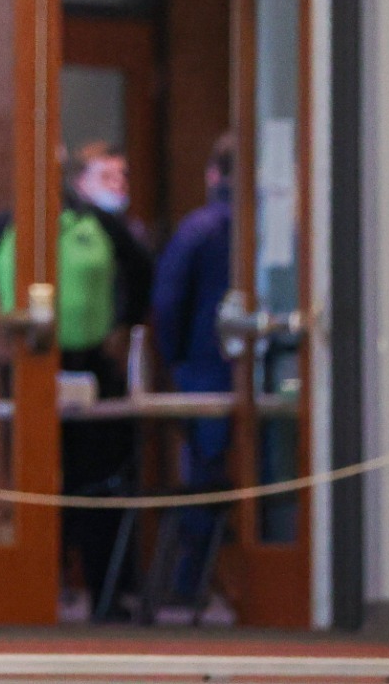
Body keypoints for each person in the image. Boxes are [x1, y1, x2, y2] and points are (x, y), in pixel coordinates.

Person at [0, 155, 152, 615]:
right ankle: (34, 597)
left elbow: (141, 270)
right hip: (30, 370)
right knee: (34, 484)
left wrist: (124, 326)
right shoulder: (5, 227)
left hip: (93, 369)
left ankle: (107, 596)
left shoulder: (97, 223)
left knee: (98, 484)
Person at [150, 133, 237, 585]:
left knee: (204, 475)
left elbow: (168, 302)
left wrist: (175, 361)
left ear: (212, 175)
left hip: (203, 368)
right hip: (249, 367)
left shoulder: (199, 229)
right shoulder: (280, 228)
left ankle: (192, 581)